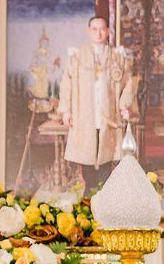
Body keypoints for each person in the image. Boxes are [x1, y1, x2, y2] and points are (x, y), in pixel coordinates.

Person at [57, 13, 135, 192]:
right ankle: (89, 193)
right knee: (87, 155)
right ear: (88, 31)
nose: (98, 33)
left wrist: (124, 104)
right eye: (94, 29)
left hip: (108, 115)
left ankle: (106, 195)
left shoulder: (117, 57)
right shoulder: (76, 57)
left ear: (108, 32)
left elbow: (128, 82)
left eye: (102, 29)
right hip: (85, 115)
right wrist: (66, 111)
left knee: (108, 154)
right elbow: (66, 84)